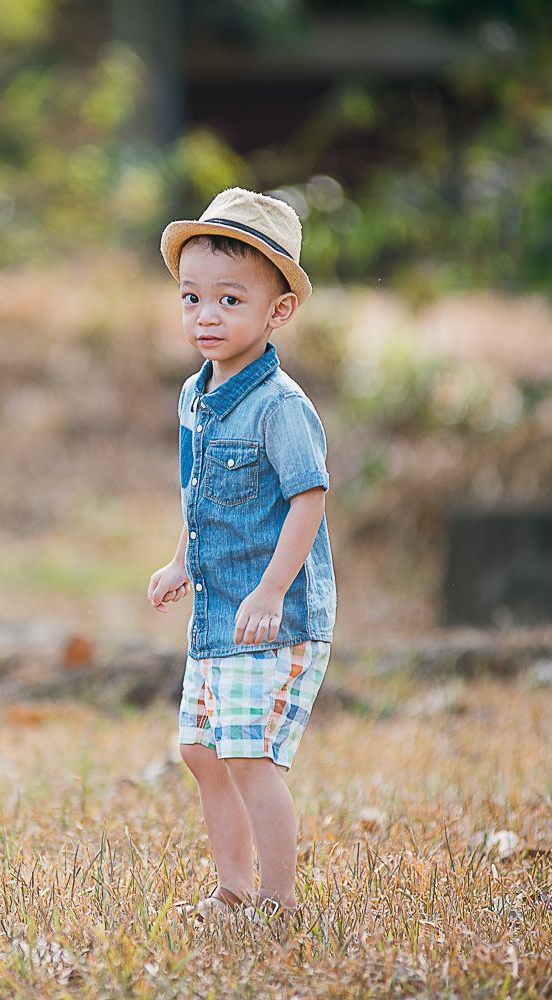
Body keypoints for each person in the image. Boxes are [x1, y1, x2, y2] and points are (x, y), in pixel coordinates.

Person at [147, 187, 335, 937]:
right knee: (201, 750)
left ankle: (280, 899)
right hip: (220, 608)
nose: (206, 316)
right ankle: (231, 888)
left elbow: (309, 498)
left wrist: (270, 587)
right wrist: (179, 564)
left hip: (274, 615)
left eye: (230, 299)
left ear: (277, 311)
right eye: (192, 297)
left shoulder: (280, 405)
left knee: (251, 755)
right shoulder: (197, 397)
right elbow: (204, 500)